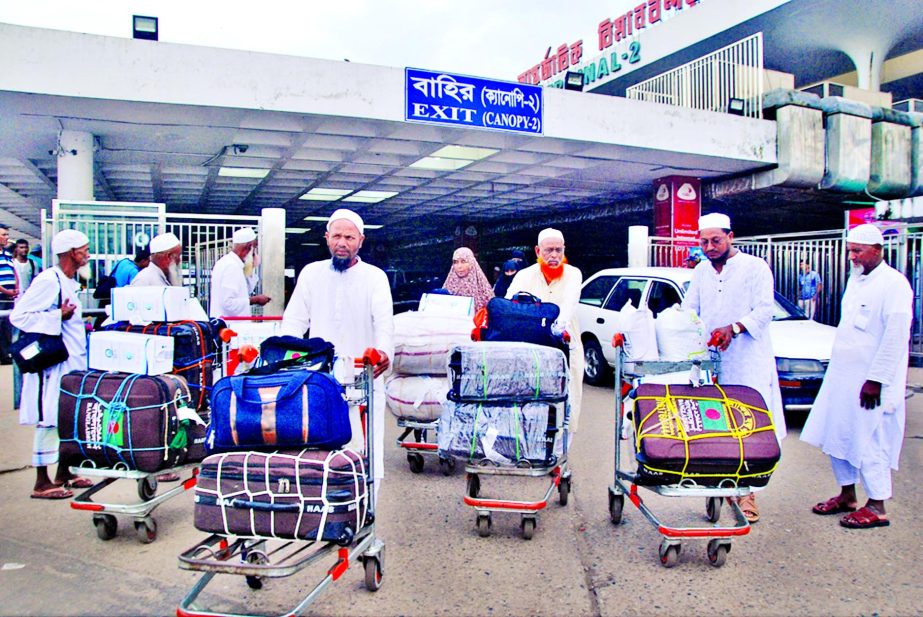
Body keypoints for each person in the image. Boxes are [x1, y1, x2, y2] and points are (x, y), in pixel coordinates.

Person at [801, 224, 912, 529]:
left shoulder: (894, 284)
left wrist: (876, 379)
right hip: (843, 377)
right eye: (849, 250)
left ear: (877, 250)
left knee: (870, 440)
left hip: (872, 383)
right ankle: (847, 494)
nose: (851, 256)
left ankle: (877, 505)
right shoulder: (857, 280)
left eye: (857, 250)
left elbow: (895, 337)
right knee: (840, 435)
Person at [280, 208, 393, 499]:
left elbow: (384, 324)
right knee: (321, 449)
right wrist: (281, 358)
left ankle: (367, 516)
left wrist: (382, 353)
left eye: (349, 237)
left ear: (361, 241)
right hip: (320, 381)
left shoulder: (375, 277)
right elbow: (293, 322)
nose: (342, 242)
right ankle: (327, 511)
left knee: (367, 450)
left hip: (363, 377)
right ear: (327, 238)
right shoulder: (311, 274)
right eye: (337, 236)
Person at [682, 213, 785, 524]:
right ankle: (722, 482)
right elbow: (690, 308)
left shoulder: (755, 268)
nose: (710, 247)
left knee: (748, 422)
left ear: (731, 237)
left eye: (716, 240)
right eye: (704, 242)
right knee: (716, 422)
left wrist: (735, 328)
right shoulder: (701, 271)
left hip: (747, 356)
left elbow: (765, 310)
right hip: (712, 357)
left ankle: (748, 491)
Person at [10, 229, 94, 499]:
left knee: (65, 418)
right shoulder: (48, 280)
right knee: (49, 418)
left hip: (71, 362)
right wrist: (58, 315)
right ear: (71, 253)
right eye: (84, 249)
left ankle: (63, 472)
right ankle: (41, 481)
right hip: (53, 366)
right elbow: (18, 317)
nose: (88, 254)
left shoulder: (69, 280)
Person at [506, 228, 584, 433]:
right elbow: (509, 306)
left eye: (559, 250)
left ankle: (562, 453)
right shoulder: (524, 276)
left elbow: (567, 308)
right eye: (549, 250)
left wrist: (557, 330)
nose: (554, 256)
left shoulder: (573, 274)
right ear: (538, 251)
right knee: (530, 398)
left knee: (569, 399)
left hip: (566, 345)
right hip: (531, 347)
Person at [209, 227, 271, 318]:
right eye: (255, 248)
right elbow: (228, 303)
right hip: (230, 326)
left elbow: (243, 293)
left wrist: (251, 267)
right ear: (249, 247)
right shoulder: (231, 267)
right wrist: (255, 300)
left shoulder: (228, 263)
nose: (255, 253)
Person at [443, 247, 494, 313]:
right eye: (455, 262)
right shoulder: (448, 286)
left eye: (463, 261)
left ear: (471, 263)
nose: (459, 266)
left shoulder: (483, 289)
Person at [0, 224, 18, 364]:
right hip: (2, 296)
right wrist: (6, 291)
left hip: (10, 296)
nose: (7, 238)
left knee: (7, 326)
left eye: (7, 234)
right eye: (4, 235)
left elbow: (14, 273)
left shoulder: (7, 255)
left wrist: (16, 288)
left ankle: (6, 353)